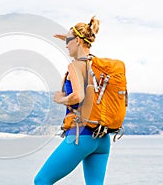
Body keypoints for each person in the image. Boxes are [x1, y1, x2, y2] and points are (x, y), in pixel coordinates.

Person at [34, 16, 110, 185]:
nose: (66, 45)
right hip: (102, 139)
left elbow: (78, 96)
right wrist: (68, 37)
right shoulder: (97, 67)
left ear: (77, 40)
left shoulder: (75, 66)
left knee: (41, 180)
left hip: (81, 136)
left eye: (68, 41)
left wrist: (60, 98)